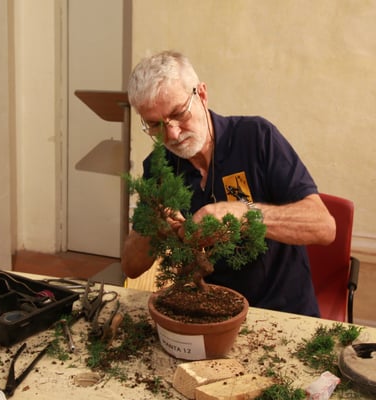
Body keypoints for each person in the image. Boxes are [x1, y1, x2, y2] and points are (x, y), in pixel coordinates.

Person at [122, 50, 336, 317]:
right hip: (210, 312)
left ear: (201, 94)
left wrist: (244, 214)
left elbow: (324, 227)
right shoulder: (160, 167)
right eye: (156, 125)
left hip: (283, 310)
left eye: (179, 113)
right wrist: (154, 228)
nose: (172, 134)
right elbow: (130, 267)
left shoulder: (256, 138)